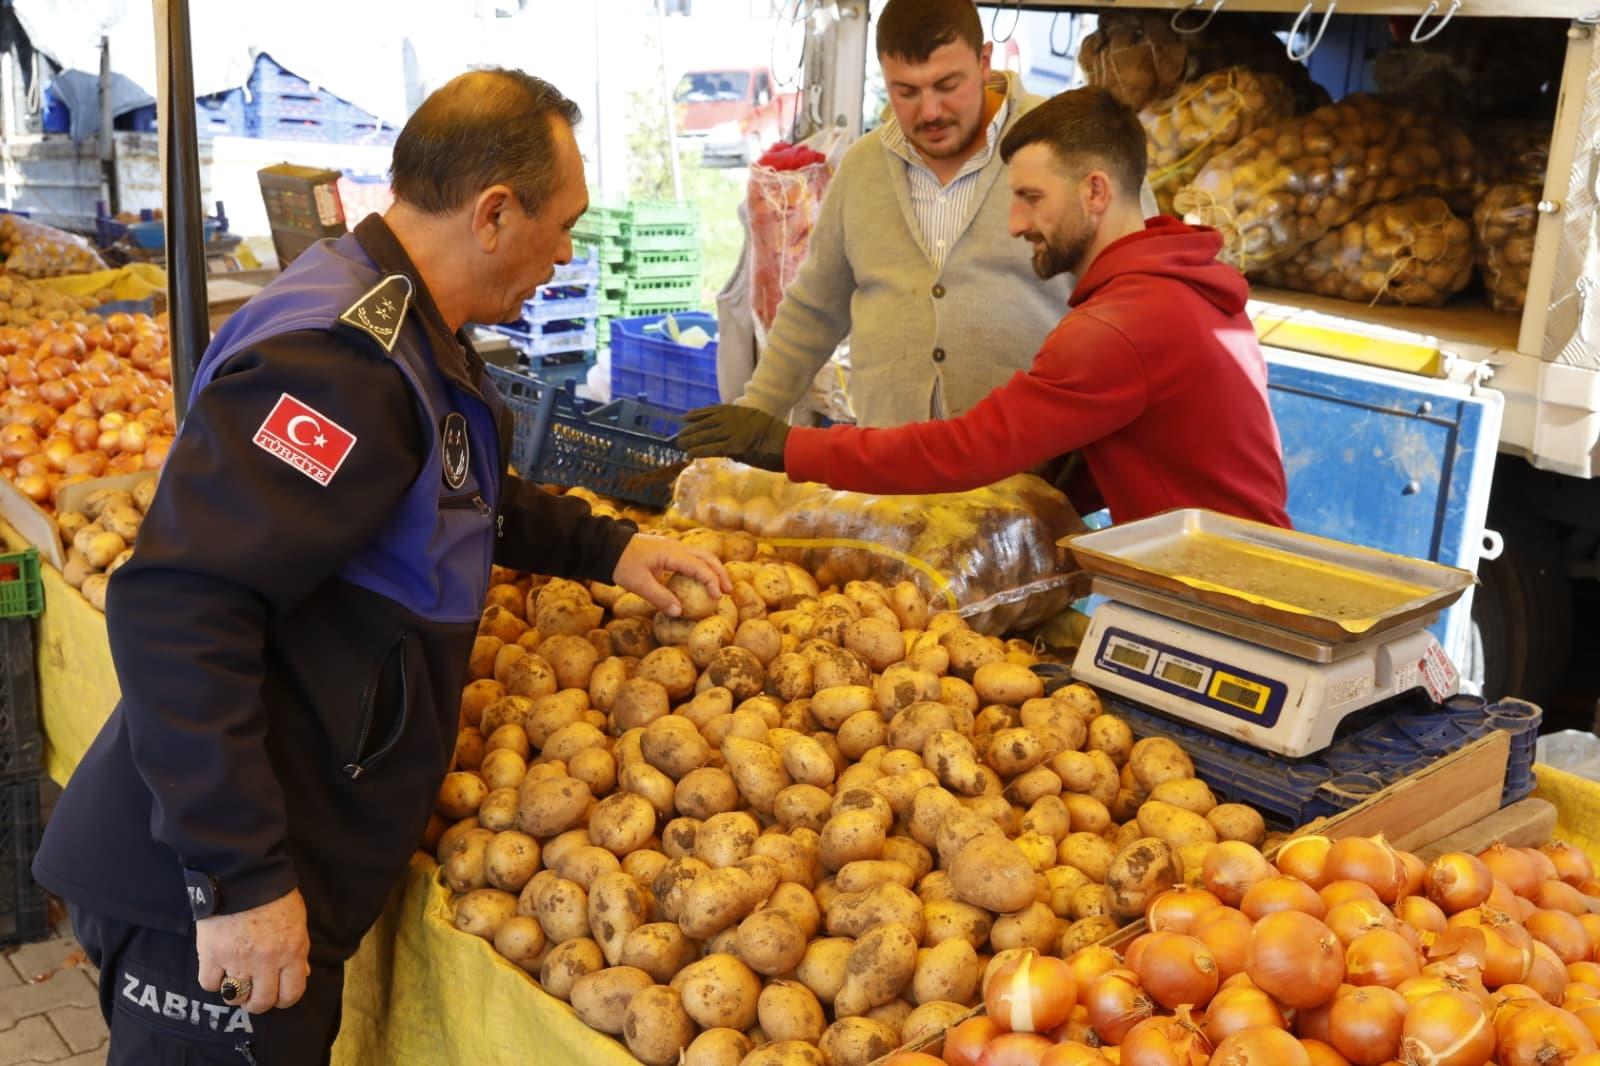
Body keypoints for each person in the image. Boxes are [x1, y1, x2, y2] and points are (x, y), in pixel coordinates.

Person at [31, 70, 729, 1065]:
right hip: (200, 896)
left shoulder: (401, 324)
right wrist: (238, 880)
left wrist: (610, 547)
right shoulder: (336, 362)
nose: (567, 252)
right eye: (563, 223)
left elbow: (445, 483)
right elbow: (182, 603)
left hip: (269, 855)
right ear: (494, 212)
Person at [680, 87, 1291, 529]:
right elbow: (1153, 448)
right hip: (1238, 561)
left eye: (1030, 197)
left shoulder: (1118, 327)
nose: (1016, 222)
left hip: (1217, 594)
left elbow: (965, 448)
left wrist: (785, 447)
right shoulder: (1182, 282)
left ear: (1096, 191)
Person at [736, 0, 1153, 427]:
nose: (930, 111)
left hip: (1039, 466)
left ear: (985, 61)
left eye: (947, 84)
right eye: (907, 92)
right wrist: (754, 413)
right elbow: (815, 309)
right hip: (891, 468)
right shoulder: (862, 168)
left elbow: (1138, 297)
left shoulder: (1070, 147)